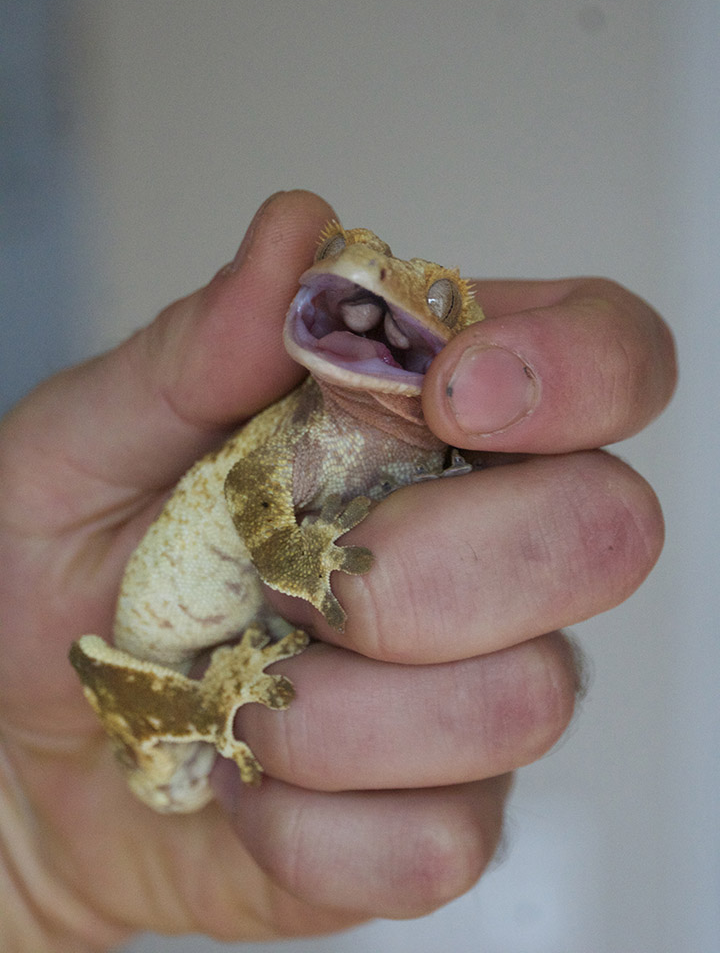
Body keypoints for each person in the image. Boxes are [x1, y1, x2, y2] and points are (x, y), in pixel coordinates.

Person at [0, 191, 675, 950]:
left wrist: (38, 880)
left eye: (441, 294)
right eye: (341, 259)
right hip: (153, 691)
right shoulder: (306, 424)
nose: (365, 270)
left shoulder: (423, 446)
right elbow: (252, 487)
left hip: (158, 744)